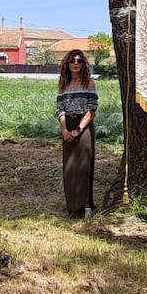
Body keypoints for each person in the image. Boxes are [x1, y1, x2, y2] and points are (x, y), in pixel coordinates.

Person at [56, 49, 98, 217]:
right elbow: (60, 109)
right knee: (69, 168)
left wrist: (78, 130)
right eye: (72, 60)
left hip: (84, 127)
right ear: (67, 63)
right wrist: (65, 130)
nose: (75, 63)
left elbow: (91, 110)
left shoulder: (89, 83)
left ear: (83, 64)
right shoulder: (63, 85)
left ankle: (86, 206)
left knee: (83, 168)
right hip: (68, 126)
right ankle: (72, 207)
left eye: (79, 60)